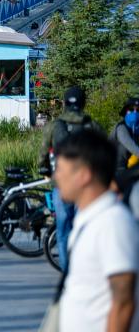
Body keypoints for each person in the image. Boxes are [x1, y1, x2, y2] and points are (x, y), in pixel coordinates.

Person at [55, 128, 138, 332]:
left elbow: (124, 303)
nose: (56, 177)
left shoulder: (113, 223)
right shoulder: (91, 218)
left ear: (83, 175)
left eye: (60, 169)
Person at [39, 86, 102, 271]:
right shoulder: (92, 126)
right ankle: (85, 268)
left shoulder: (54, 126)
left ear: (65, 103)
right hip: (86, 187)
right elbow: (104, 155)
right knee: (85, 227)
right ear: (83, 103)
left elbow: (42, 156)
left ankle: (68, 272)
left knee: (64, 229)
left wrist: (47, 171)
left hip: (63, 185)